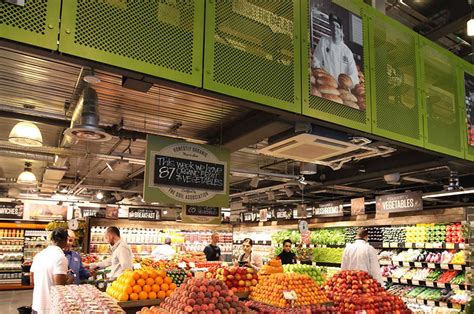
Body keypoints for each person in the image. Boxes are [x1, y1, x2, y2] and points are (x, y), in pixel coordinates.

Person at [312, 13, 359, 87]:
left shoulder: (347, 52)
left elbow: (355, 76)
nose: (334, 29)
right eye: (332, 25)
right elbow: (316, 60)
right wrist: (320, 76)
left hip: (341, 89)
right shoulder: (324, 41)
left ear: (341, 29)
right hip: (325, 84)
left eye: (337, 26)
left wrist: (346, 83)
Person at [30, 228, 69, 314]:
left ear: (52, 239)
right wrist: (70, 278)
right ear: (66, 240)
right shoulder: (60, 257)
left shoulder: (39, 255)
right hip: (50, 308)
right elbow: (60, 287)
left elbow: (31, 281)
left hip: (36, 305)